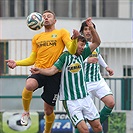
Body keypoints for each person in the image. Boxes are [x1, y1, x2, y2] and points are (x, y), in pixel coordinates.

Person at [5, 10, 79, 133]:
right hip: (38, 70)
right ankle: (26, 112)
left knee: (48, 110)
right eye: (43, 16)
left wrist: (75, 39)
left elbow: (71, 50)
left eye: (49, 16)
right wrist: (16, 63)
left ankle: (47, 131)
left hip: (54, 73)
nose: (45, 18)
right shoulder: (37, 37)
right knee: (29, 85)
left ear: (55, 20)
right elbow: (32, 59)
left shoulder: (61, 33)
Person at [30, 21, 103, 133]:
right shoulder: (64, 56)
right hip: (70, 101)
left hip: (85, 97)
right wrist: (40, 70)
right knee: (84, 130)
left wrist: (92, 29)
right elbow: (52, 70)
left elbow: (97, 42)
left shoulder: (82, 55)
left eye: (84, 45)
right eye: (81, 44)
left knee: (98, 127)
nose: (83, 47)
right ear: (74, 43)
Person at [80, 21, 115, 126]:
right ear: (82, 31)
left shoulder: (96, 43)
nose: (88, 31)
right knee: (84, 116)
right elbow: (73, 60)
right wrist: (87, 60)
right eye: (85, 29)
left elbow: (98, 56)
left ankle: (97, 126)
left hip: (98, 80)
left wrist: (106, 67)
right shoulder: (79, 45)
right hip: (85, 84)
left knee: (111, 103)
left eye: (90, 29)